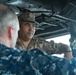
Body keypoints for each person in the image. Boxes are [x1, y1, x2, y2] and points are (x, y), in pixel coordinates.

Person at [0, 4, 76, 75]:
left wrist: (68, 52)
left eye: (33, 25)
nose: (31, 29)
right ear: (16, 29)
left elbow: (63, 47)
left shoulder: (40, 42)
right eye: (27, 25)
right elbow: (68, 68)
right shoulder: (10, 45)